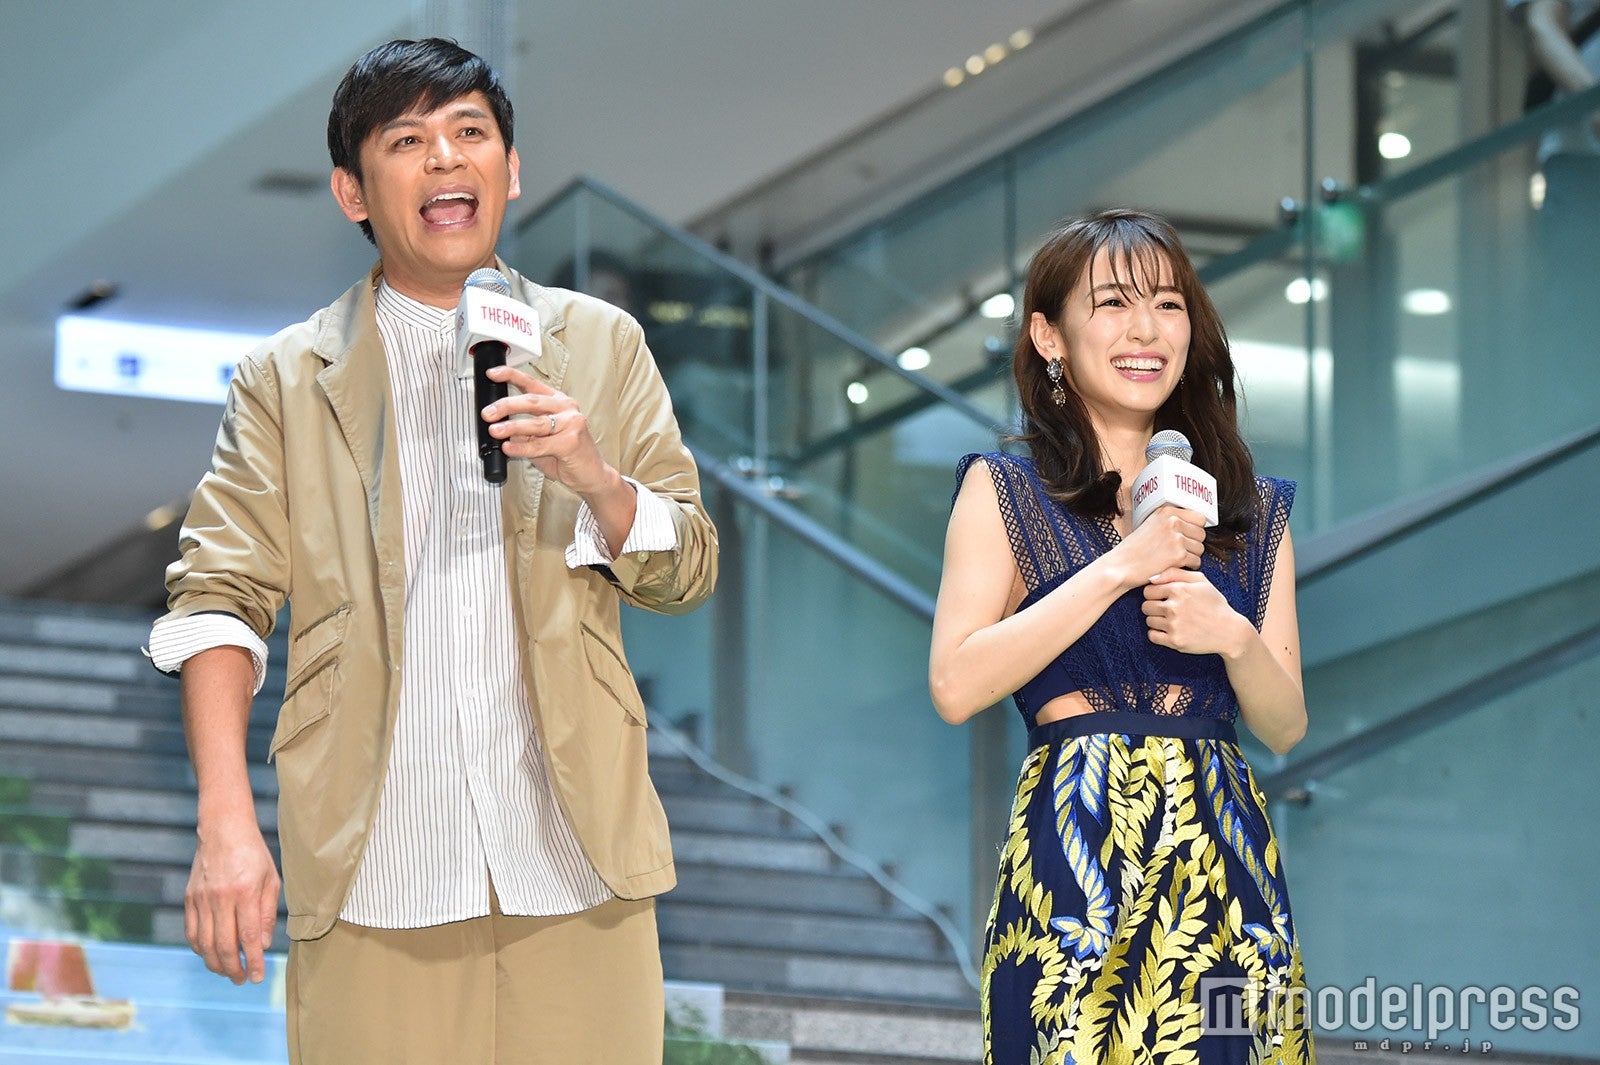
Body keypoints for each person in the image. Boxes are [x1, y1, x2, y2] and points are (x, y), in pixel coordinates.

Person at [145, 38, 717, 1065]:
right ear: (352, 193)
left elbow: (689, 568)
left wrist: (594, 475)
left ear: (511, 169)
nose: (446, 159)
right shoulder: (284, 379)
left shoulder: (599, 344)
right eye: (407, 141)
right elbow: (218, 598)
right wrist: (224, 820)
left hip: (577, 864)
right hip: (375, 870)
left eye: (470, 133)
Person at [929, 210, 1313, 1065]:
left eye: (1168, 304)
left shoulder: (1252, 511)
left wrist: (1232, 637)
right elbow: (954, 684)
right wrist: (1119, 566)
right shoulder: (1005, 491)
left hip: (1224, 871)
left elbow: (1285, 725)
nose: (1146, 330)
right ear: (1050, 336)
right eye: (1112, 303)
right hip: (1074, 866)